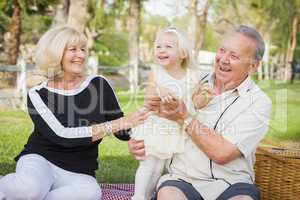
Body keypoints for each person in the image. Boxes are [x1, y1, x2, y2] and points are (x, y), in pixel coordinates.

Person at [0, 26, 149, 200]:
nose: (81, 55)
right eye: (73, 50)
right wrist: (119, 124)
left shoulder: (99, 84)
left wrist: (133, 137)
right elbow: (62, 135)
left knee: (91, 193)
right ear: (56, 54)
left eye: (83, 49)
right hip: (40, 160)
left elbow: (120, 126)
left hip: (79, 169)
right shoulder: (38, 94)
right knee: (30, 190)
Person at [128, 25, 272, 200]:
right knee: (168, 195)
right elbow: (155, 111)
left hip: (233, 183)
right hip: (182, 179)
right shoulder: (192, 79)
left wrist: (184, 118)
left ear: (253, 66)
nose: (223, 59)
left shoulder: (259, 102)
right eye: (222, 51)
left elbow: (222, 153)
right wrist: (143, 142)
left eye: (234, 56)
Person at [130, 27, 212, 200]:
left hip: (174, 128)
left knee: (159, 167)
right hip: (156, 126)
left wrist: (203, 96)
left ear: (182, 53)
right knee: (148, 164)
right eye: (158, 46)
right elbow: (149, 99)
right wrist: (160, 89)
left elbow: (196, 99)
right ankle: (138, 196)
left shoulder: (192, 75)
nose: (161, 50)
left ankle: (148, 195)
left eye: (168, 46)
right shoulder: (157, 73)